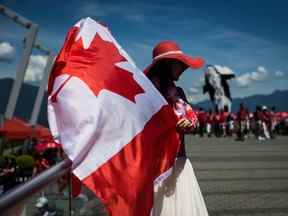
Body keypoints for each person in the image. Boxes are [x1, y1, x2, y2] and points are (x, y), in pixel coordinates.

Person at [144, 40, 209, 216]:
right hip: (155, 165)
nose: (182, 68)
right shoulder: (146, 92)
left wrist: (188, 124)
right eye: (178, 63)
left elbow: (192, 118)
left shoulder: (178, 93)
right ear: (167, 65)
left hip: (179, 162)